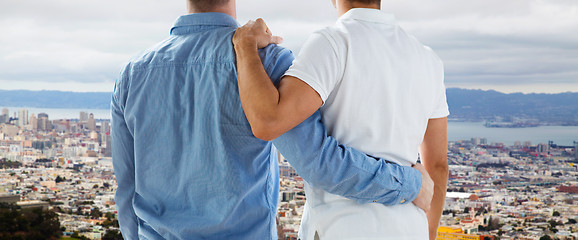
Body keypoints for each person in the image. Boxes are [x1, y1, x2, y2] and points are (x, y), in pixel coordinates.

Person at [111, 0, 433, 239]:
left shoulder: (131, 75)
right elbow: (320, 163)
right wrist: (410, 183)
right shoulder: (265, 61)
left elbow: (126, 193)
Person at [233, 0, 449, 239]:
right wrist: (428, 231)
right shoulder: (429, 60)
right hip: (410, 228)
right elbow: (438, 165)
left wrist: (245, 47)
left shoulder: (333, 42)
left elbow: (268, 121)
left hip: (340, 227)